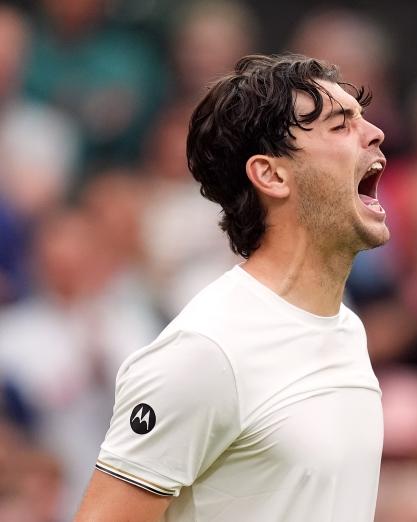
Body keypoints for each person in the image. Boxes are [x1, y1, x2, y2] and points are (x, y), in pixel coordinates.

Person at [75, 54, 389, 521]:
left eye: (361, 119)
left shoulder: (347, 329)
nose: (375, 133)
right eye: (340, 126)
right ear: (272, 174)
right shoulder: (206, 350)